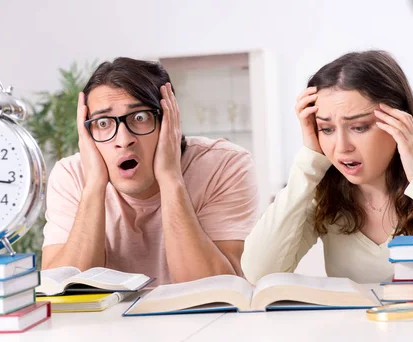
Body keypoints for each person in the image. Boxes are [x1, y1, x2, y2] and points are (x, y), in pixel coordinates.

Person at [241, 50, 413, 284]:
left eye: (359, 127)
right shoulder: (322, 187)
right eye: (326, 129)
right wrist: (308, 161)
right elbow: (258, 272)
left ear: (400, 121)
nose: (341, 147)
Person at [41, 57, 259, 285]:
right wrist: (94, 185)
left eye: (140, 117)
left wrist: (170, 177)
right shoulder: (71, 175)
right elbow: (59, 291)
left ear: (170, 120)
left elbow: (217, 290)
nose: (123, 140)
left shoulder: (225, 165)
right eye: (103, 123)